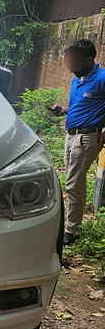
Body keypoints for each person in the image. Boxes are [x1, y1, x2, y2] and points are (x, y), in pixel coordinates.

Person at [51, 39, 105, 245]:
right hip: (71, 134)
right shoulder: (78, 79)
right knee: (74, 181)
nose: (70, 65)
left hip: (87, 137)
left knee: (73, 183)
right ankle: (73, 224)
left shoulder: (102, 78)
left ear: (89, 59)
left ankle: (71, 230)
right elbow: (83, 104)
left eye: (74, 60)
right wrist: (63, 110)